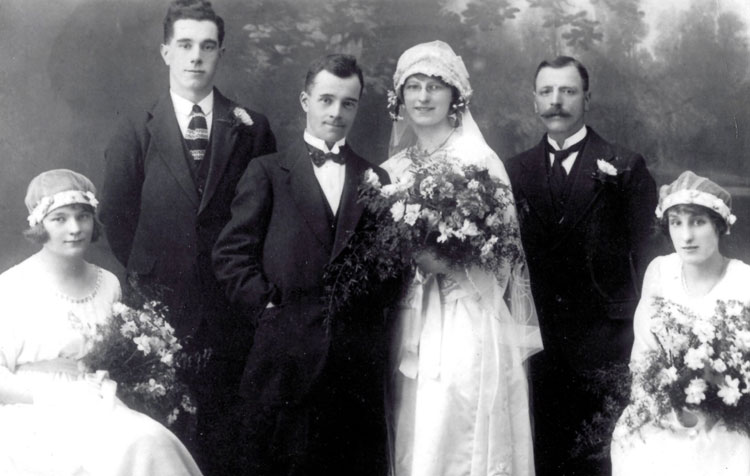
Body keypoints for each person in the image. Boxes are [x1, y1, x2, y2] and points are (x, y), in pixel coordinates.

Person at [99, 0, 276, 471]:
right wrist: (150, 273)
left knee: (226, 433)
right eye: (185, 45)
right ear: (166, 53)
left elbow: (264, 219)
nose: (196, 56)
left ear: (220, 53)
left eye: (207, 46)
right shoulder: (136, 127)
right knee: (163, 431)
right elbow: (117, 217)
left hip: (230, 308)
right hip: (160, 309)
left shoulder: (252, 128)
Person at [212, 54, 392, 476]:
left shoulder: (376, 179)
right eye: (326, 99)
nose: (336, 112)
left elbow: (390, 266)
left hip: (352, 361)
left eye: (348, 103)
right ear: (305, 100)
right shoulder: (268, 171)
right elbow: (231, 255)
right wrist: (269, 310)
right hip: (283, 358)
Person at [382, 40, 543, 476]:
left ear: (455, 97)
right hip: (412, 319)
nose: (422, 97)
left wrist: (444, 262)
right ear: (400, 98)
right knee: (415, 428)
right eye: (413, 87)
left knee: (456, 427)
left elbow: (505, 254)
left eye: (435, 86)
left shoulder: (479, 161)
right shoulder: (394, 169)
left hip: (464, 317)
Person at [505, 56, 657, 476]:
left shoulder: (625, 165)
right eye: (547, 92)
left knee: (600, 457)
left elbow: (648, 260)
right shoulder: (513, 170)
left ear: (587, 98)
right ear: (534, 100)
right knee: (543, 455)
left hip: (605, 342)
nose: (557, 101)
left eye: (568, 91)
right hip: (538, 343)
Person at [0, 169, 203, 476]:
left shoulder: (107, 282)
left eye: (83, 216)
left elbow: (115, 353)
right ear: (39, 224)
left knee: (151, 440)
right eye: (60, 219)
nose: (75, 228)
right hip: (32, 409)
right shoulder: (12, 286)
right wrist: (53, 396)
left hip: (100, 400)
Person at [610, 171, 750, 475]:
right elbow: (644, 357)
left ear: (720, 226)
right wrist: (666, 407)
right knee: (635, 442)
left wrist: (717, 405)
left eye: (698, 222)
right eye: (677, 223)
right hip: (664, 410)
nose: (686, 236)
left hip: (730, 416)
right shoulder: (660, 272)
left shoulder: (743, 281)